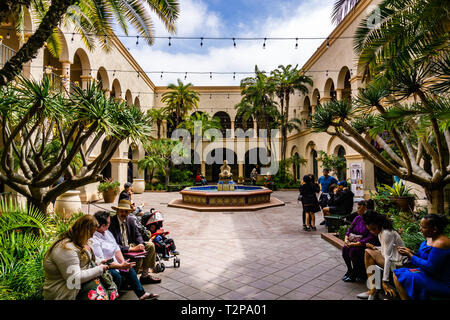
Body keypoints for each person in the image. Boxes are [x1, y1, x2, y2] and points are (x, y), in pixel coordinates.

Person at [91, 211, 159, 300]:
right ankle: (113, 296)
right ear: (103, 225)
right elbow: (102, 261)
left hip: (117, 260)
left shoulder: (107, 232)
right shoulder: (94, 239)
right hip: (105, 266)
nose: (110, 224)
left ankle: (142, 294)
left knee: (129, 269)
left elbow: (116, 248)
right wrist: (120, 265)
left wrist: (123, 262)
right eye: (108, 222)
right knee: (116, 276)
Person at [43, 215, 110, 300]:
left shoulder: (76, 242)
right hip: (61, 295)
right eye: (91, 233)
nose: (92, 237)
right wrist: (99, 269)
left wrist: (100, 262)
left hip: (75, 291)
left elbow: (84, 260)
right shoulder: (66, 248)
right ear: (84, 231)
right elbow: (74, 278)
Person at [393, 214, 450, 300]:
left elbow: (431, 267)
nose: (420, 229)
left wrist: (410, 255)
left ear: (434, 229)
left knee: (400, 275)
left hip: (440, 281)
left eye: (423, 227)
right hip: (428, 274)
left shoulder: (440, 243)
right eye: (420, 226)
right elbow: (424, 258)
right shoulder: (431, 238)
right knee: (397, 273)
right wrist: (410, 252)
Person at [108, 199, 161, 285]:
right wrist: (130, 249)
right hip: (119, 249)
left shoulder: (131, 220)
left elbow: (138, 235)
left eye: (126, 211)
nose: (124, 214)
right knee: (137, 255)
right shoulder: (111, 223)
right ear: (117, 211)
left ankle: (145, 276)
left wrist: (141, 244)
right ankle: (131, 280)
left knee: (150, 245)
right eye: (122, 211)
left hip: (131, 245)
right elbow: (113, 245)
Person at [356, 210, 406, 300]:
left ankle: (373, 290)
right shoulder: (382, 230)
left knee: (368, 253)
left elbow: (388, 258)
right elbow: (387, 249)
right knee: (368, 251)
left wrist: (385, 281)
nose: (372, 232)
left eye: (373, 229)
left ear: (378, 223)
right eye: (369, 230)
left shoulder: (386, 233)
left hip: (397, 263)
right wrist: (376, 248)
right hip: (394, 259)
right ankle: (373, 290)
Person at [342, 200, 379, 282]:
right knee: (345, 248)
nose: (357, 209)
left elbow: (371, 237)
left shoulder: (370, 220)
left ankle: (356, 272)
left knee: (354, 251)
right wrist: (346, 239)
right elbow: (350, 229)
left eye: (359, 208)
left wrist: (356, 244)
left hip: (364, 244)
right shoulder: (358, 218)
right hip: (354, 242)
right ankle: (349, 270)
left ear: (365, 209)